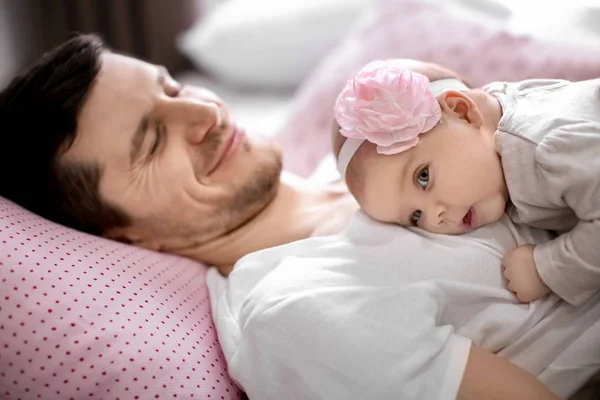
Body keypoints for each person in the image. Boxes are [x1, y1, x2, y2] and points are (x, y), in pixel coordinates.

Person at [0, 35, 580, 399]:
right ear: (124, 235)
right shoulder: (296, 309)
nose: (201, 112)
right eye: (152, 143)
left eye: (173, 87)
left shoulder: (361, 171)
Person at [333, 59, 600, 306]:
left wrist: (548, 268)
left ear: (463, 111)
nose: (435, 216)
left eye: (423, 177)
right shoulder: (493, 127)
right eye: (415, 216)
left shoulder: (543, 147)